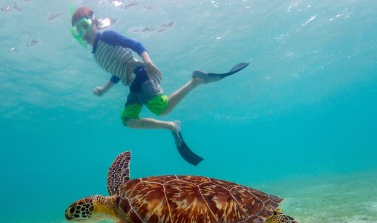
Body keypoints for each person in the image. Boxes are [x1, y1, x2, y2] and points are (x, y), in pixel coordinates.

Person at [70, 6, 247, 165]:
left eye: (84, 26)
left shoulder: (107, 36)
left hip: (140, 74)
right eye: (77, 30)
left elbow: (136, 45)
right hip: (132, 84)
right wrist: (105, 88)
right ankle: (171, 126)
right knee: (128, 120)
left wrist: (148, 62)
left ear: (94, 22)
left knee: (162, 108)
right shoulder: (96, 54)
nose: (82, 32)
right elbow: (117, 72)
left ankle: (196, 81)